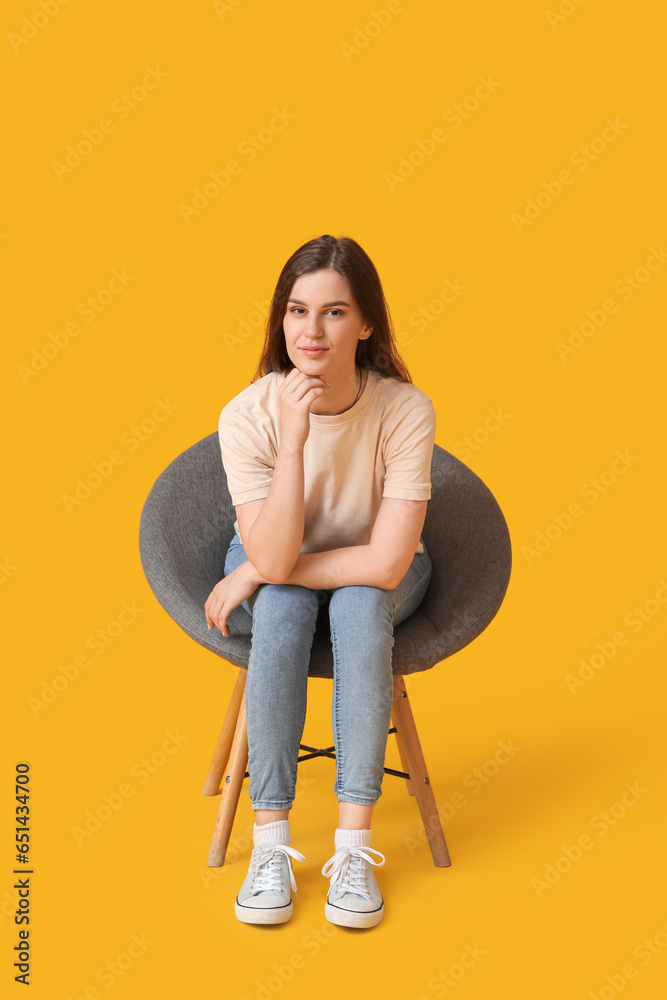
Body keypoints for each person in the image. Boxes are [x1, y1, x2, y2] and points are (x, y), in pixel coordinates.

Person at [204, 234, 436, 929]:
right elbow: (276, 557)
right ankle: (270, 843)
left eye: (334, 312)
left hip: (374, 563)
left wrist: (255, 569)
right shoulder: (248, 415)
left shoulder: (403, 408)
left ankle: (353, 848)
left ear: (365, 323)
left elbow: (387, 564)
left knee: (361, 605)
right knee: (279, 607)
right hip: (278, 552)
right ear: (280, 319)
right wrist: (295, 439)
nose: (311, 331)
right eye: (297, 310)